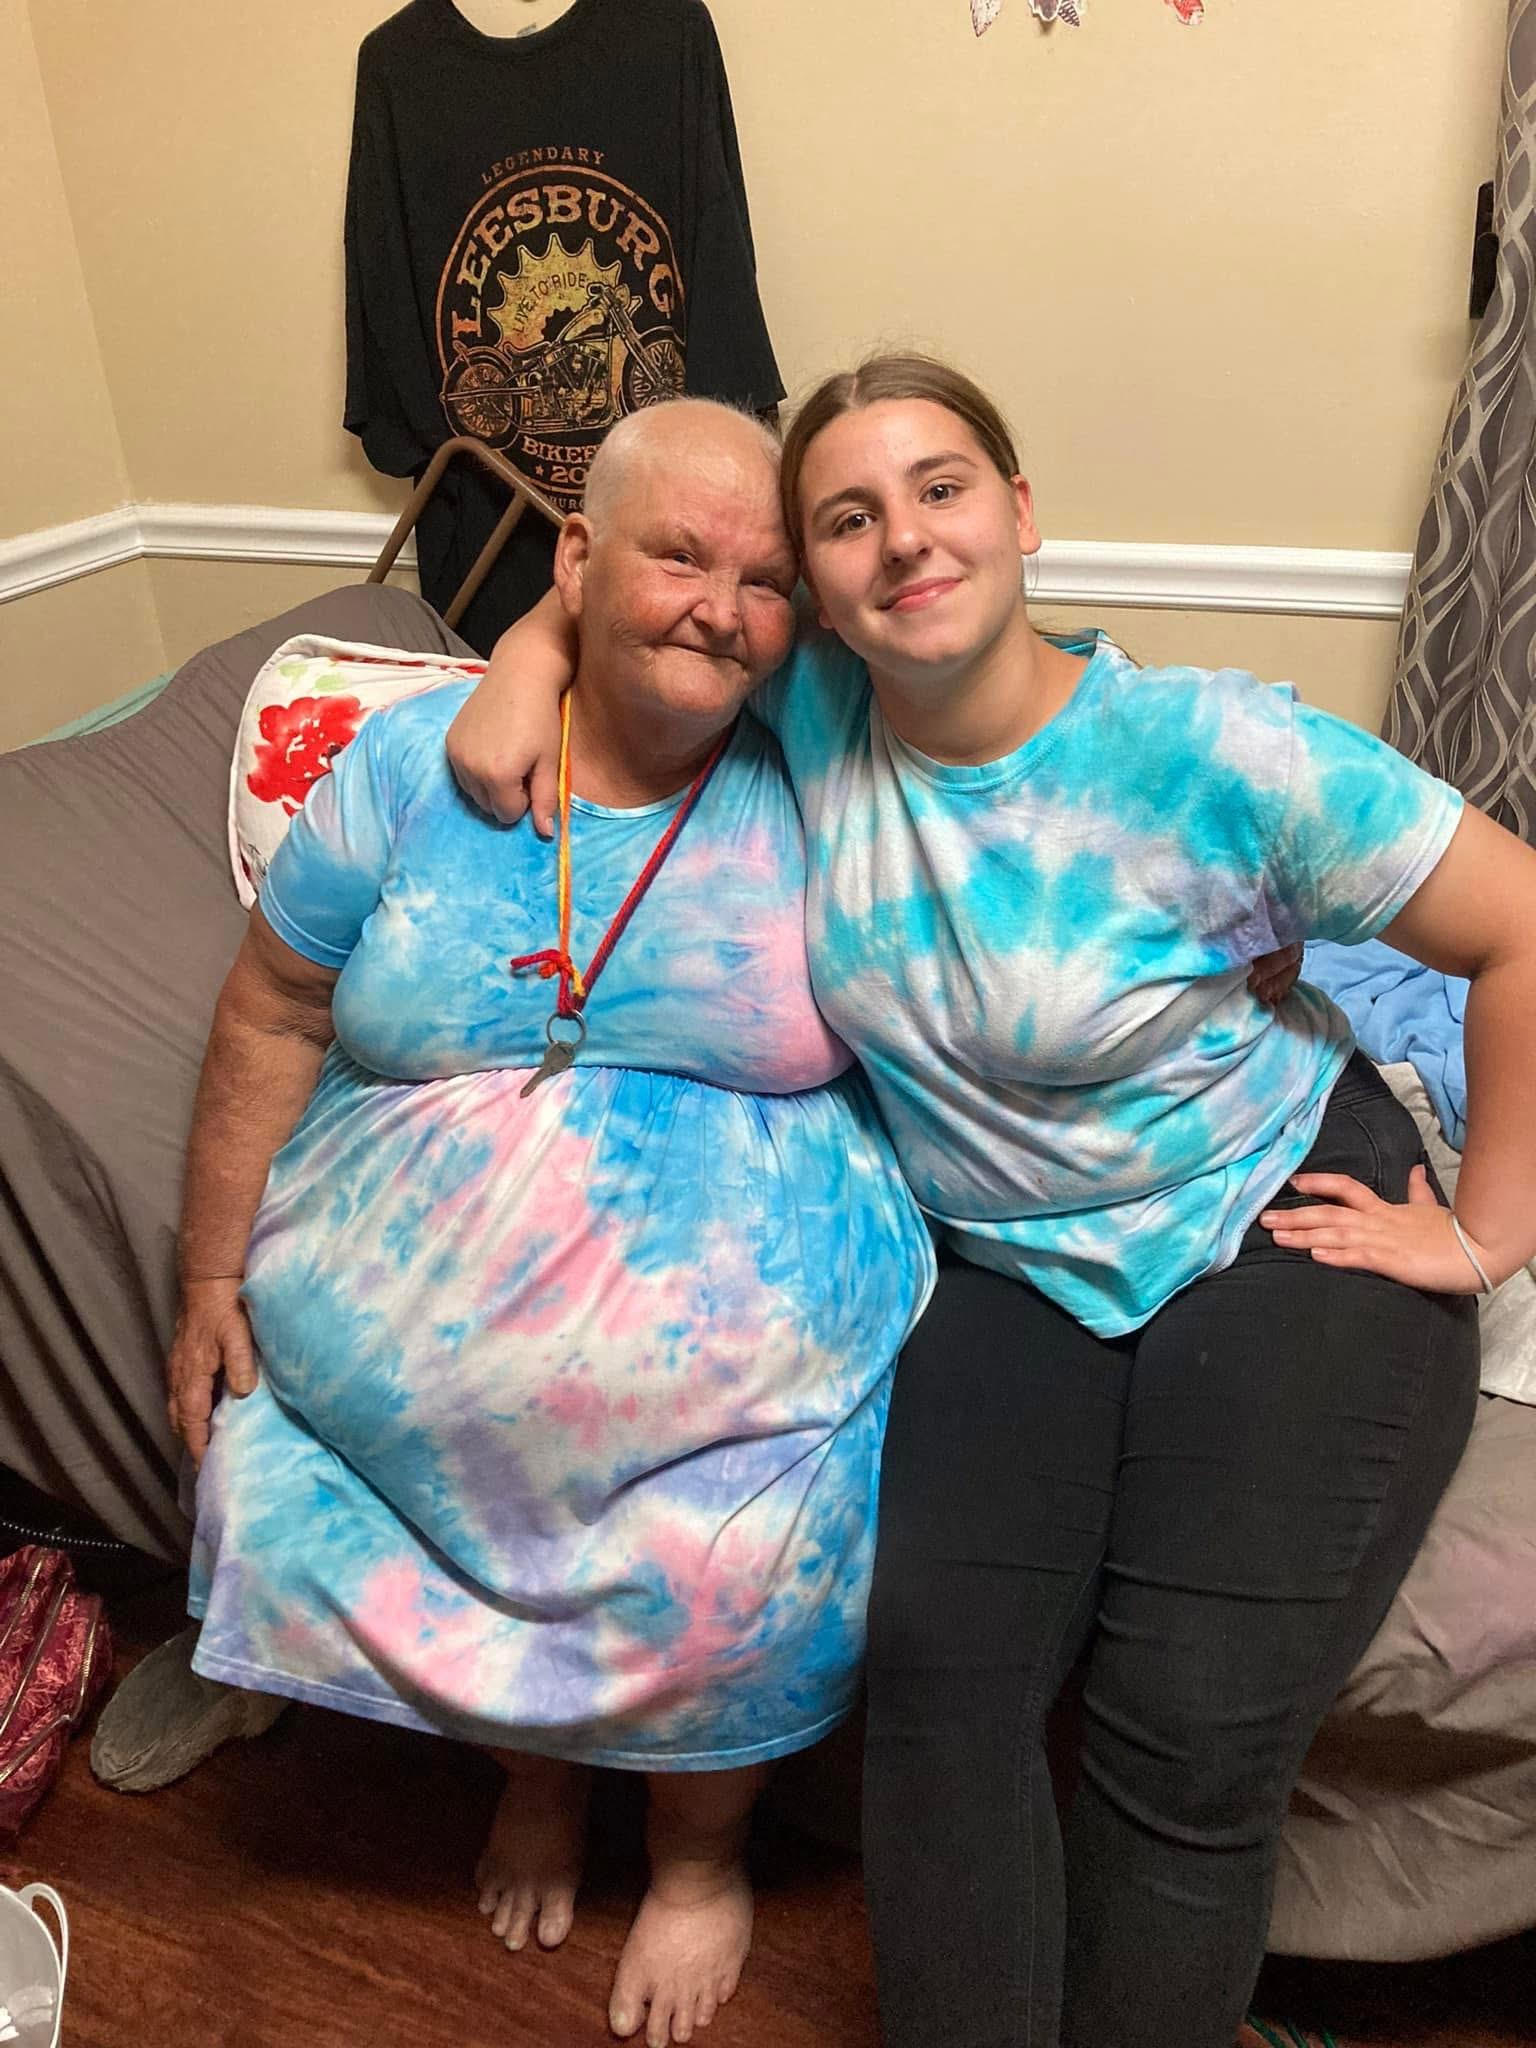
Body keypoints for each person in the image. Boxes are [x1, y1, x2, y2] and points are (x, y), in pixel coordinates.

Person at [445, 353, 1536, 2048]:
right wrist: (521, 665)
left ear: (1019, 513)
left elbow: (1517, 924)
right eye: (849, 519)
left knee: (1184, 1727)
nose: (904, 539)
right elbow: (633, 610)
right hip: (1007, 1263)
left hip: (1268, 1213)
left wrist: (1486, 1229)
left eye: (941, 488)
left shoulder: (1215, 751)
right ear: (815, 590)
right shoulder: (815, 705)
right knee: (942, 1706)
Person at [167, 399, 934, 2048]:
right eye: (679, 557)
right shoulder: (411, 766)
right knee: (330, 1464)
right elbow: (273, 1009)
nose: (720, 608)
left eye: (766, 580)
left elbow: (1018, 691)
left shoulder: (825, 762)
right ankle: (538, 1778)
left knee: (753, 1551)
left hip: (745, 1366)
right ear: (577, 558)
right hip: (397, 1320)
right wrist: (211, 1269)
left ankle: (700, 1855)